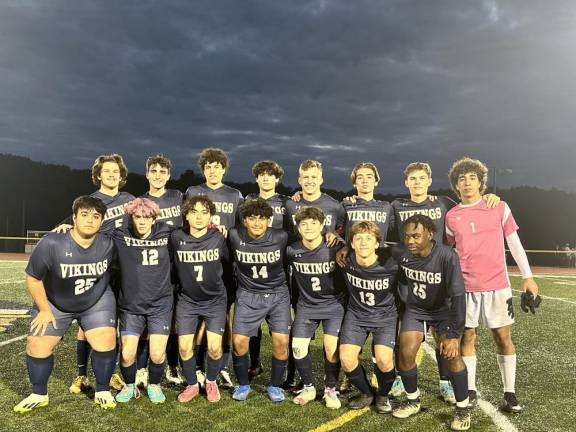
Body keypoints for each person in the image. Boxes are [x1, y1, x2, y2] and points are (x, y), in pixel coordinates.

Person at [445, 157, 541, 413]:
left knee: (502, 337)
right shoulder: (452, 216)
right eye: (461, 179)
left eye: (472, 178)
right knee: (468, 336)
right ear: (456, 185)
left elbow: (515, 243)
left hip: (498, 285)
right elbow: (449, 250)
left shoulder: (499, 207)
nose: (466, 183)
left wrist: (528, 276)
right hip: (465, 287)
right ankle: (470, 388)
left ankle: (509, 392)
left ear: (481, 182)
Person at [14, 196, 118, 412]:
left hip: (95, 301)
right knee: (37, 343)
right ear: (74, 218)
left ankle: (102, 389)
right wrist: (43, 309)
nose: (90, 220)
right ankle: (38, 393)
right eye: (85, 215)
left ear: (102, 221)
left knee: (106, 340)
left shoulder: (109, 242)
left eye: (96, 216)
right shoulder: (52, 242)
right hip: (55, 302)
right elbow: (33, 278)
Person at [55, 154, 134, 395]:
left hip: (125, 267)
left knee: (116, 323)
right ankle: (81, 374)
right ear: (98, 175)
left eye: (116, 171)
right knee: (86, 323)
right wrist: (64, 224)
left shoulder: (130, 199)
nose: (111, 175)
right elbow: (73, 222)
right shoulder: (91, 201)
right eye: (107, 171)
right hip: (97, 267)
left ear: (121, 176)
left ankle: (110, 373)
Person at [391, 215, 470, 430]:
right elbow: (380, 249)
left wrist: (454, 335)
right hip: (416, 310)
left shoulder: (446, 256)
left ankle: (463, 409)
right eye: (407, 236)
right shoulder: (400, 252)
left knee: (452, 355)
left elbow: (458, 297)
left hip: (443, 311)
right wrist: (345, 250)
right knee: (405, 352)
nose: (410, 241)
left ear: (430, 234)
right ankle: (413, 400)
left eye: (416, 236)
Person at [185, 147, 243, 389]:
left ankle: (221, 368)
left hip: (225, 263)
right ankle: (197, 367)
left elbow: (240, 229)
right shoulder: (193, 192)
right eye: (208, 167)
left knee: (224, 319)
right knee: (197, 320)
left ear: (224, 169)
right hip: (197, 261)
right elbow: (184, 223)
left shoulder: (235, 195)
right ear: (203, 170)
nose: (212, 170)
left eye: (217, 166)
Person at [111, 198, 175, 404]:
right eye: (137, 217)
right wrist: (66, 223)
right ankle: (129, 386)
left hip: (160, 305)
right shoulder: (120, 235)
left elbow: (192, 231)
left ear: (154, 218)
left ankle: (154, 384)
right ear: (131, 217)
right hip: (131, 307)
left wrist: (214, 226)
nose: (141, 222)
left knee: (157, 355)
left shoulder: (168, 233)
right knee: (127, 354)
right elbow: (94, 231)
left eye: (146, 217)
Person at [229, 198, 291, 402]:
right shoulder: (234, 235)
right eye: (252, 218)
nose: (257, 223)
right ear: (244, 221)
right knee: (238, 342)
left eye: (262, 219)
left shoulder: (281, 236)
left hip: (277, 294)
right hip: (248, 294)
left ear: (269, 220)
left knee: (281, 342)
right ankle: (243, 384)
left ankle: (274, 386)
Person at [171, 195, 229, 403]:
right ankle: (192, 384)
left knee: (214, 347)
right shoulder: (176, 237)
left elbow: (229, 265)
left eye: (204, 212)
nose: (199, 217)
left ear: (211, 216)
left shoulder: (219, 238)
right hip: (188, 300)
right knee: (185, 347)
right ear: (186, 214)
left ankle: (211, 381)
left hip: (215, 301)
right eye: (194, 211)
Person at [287, 207, 346, 409]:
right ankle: (310, 387)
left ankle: (330, 388)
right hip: (307, 306)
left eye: (313, 223)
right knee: (297, 347)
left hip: (333, 305)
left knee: (331, 348)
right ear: (298, 227)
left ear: (322, 226)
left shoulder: (335, 248)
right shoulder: (292, 250)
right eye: (304, 224)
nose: (309, 227)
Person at [339, 222, 398, 414]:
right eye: (358, 239)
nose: (363, 243)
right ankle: (366, 393)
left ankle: (383, 395)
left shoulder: (391, 263)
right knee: (346, 359)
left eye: (369, 238)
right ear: (352, 244)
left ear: (377, 244)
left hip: (385, 316)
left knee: (384, 360)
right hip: (357, 315)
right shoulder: (345, 260)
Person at [136, 155, 184, 388]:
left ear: (168, 175)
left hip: (175, 267)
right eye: (153, 171)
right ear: (147, 174)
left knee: (173, 321)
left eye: (162, 172)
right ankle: (142, 368)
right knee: (146, 321)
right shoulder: (139, 201)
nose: (157, 175)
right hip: (149, 270)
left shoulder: (178, 196)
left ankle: (172, 366)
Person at [245, 160, 290, 379]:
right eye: (261, 175)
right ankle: (255, 362)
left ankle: (285, 369)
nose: (265, 178)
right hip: (252, 267)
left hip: (278, 268)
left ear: (277, 178)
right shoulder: (247, 201)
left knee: (279, 326)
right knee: (252, 325)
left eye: (270, 175)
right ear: (256, 178)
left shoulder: (287, 202)